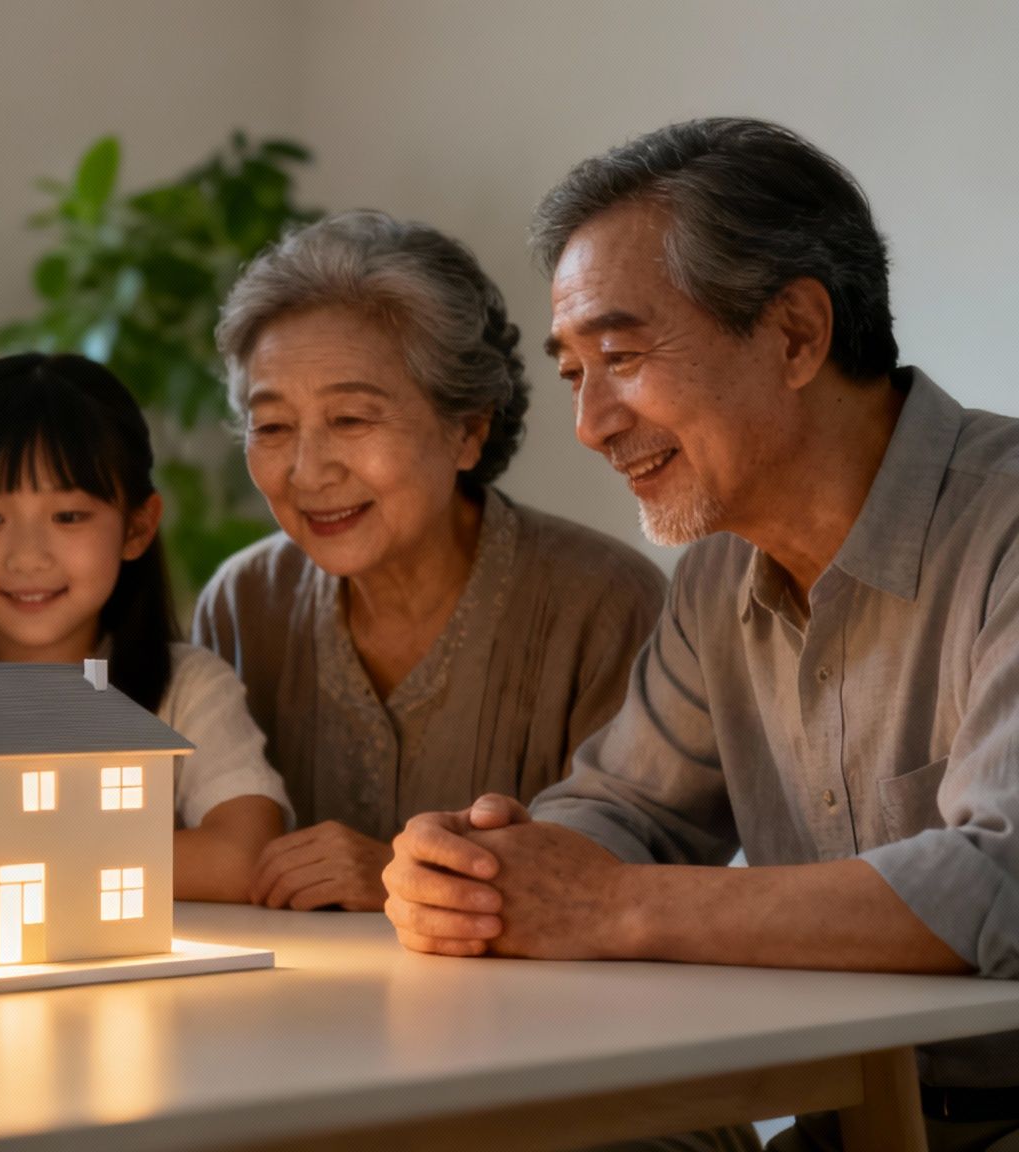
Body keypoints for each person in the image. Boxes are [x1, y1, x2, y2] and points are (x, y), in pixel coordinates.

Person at [381, 117, 1019, 1151]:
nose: (589, 422)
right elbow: (618, 811)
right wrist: (485, 873)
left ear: (796, 334)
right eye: (571, 371)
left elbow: (998, 885)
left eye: (619, 356)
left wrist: (610, 908)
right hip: (848, 1123)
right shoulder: (718, 570)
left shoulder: (1005, 527)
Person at [192, 210, 667, 912]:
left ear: (468, 430)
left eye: (351, 419)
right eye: (272, 427)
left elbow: (637, 873)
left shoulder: (604, 603)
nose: (307, 470)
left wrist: (397, 873)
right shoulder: (242, 604)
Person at [0, 353, 293, 902]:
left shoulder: (187, 689)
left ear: (137, 528)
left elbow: (243, 857)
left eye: (68, 516)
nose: (28, 557)